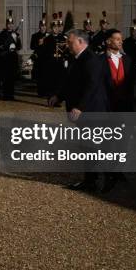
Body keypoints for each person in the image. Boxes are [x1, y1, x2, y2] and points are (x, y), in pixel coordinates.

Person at [48, 29, 109, 191]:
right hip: (84, 109)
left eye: (70, 42)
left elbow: (91, 86)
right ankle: (91, 178)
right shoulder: (78, 58)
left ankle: (93, 181)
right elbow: (70, 82)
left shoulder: (90, 59)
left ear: (81, 42)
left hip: (91, 110)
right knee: (87, 145)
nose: (68, 45)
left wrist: (80, 107)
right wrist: (58, 97)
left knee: (91, 146)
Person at [100, 28, 134, 193]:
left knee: (123, 142)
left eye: (121, 39)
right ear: (108, 41)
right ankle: (107, 175)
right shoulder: (100, 61)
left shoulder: (128, 60)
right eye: (117, 39)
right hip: (107, 108)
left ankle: (118, 170)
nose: (121, 41)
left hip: (124, 108)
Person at [0, 10, 22, 101]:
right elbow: (0, 46)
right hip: (5, 58)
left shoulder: (16, 34)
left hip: (13, 58)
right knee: (5, 78)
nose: (10, 25)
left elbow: (19, 47)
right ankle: (5, 95)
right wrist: (7, 46)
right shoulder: (2, 34)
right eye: (8, 24)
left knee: (12, 78)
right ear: (6, 24)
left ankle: (11, 95)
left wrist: (16, 40)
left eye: (11, 24)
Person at [30, 13, 51, 97]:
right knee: (39, 76)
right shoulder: (34, 36)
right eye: (41, 26)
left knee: (46, 75)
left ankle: (46, 91)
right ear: (39, 26)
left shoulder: (49, 36)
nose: (43, 27)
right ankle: (40, 92)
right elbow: (31, 47)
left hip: (46, 59)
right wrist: (39, 43)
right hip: (38, 59)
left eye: (44, 26)